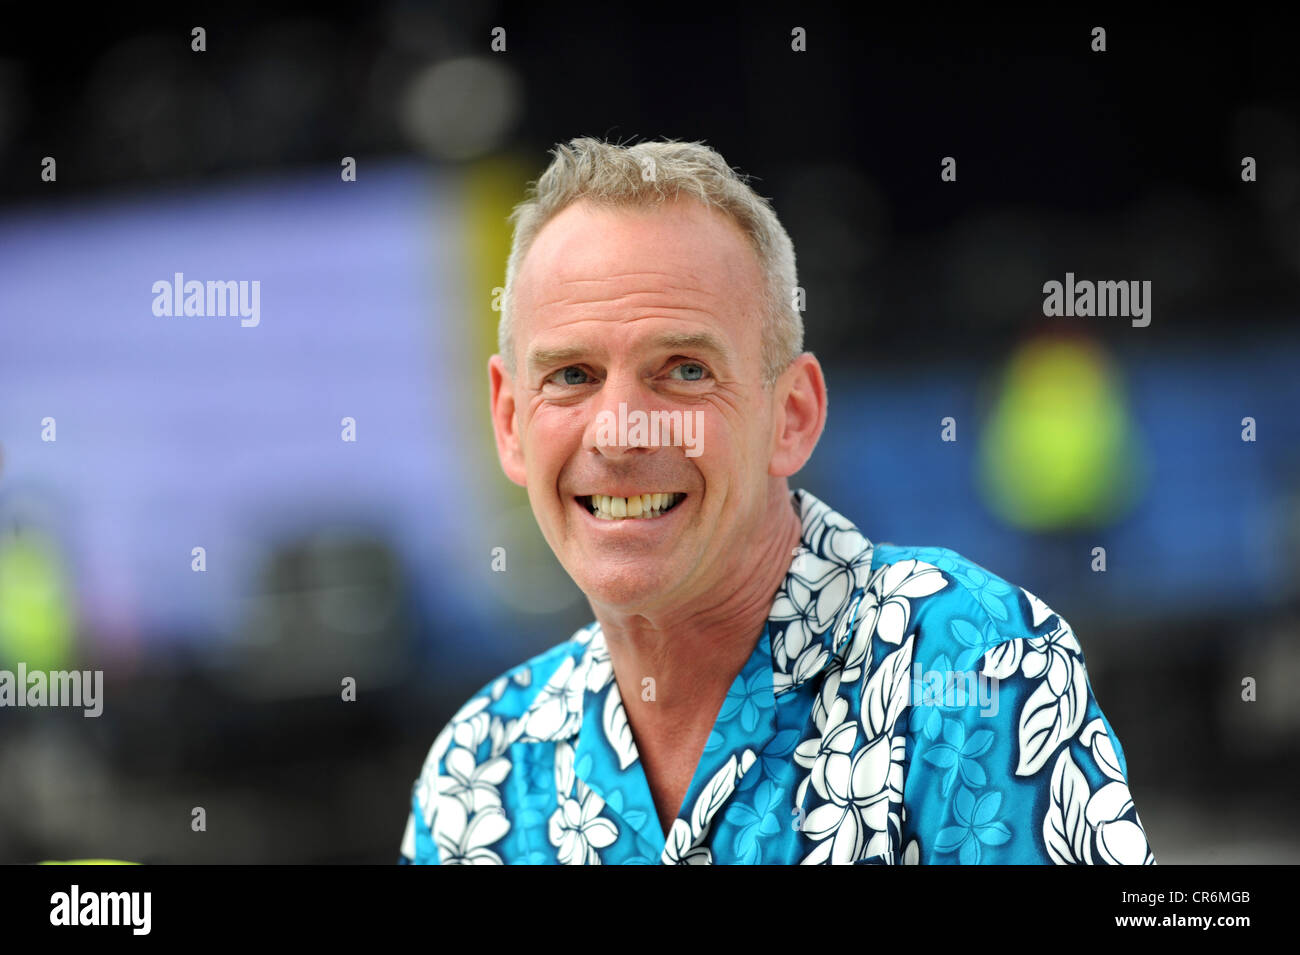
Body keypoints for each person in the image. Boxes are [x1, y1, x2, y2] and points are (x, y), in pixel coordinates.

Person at [399, 137, 1154, 864]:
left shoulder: (968, 662)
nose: (621, 433)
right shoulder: (477, 773)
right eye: (571, 375)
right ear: (508, 422)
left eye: (685, 370)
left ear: (791, 416)